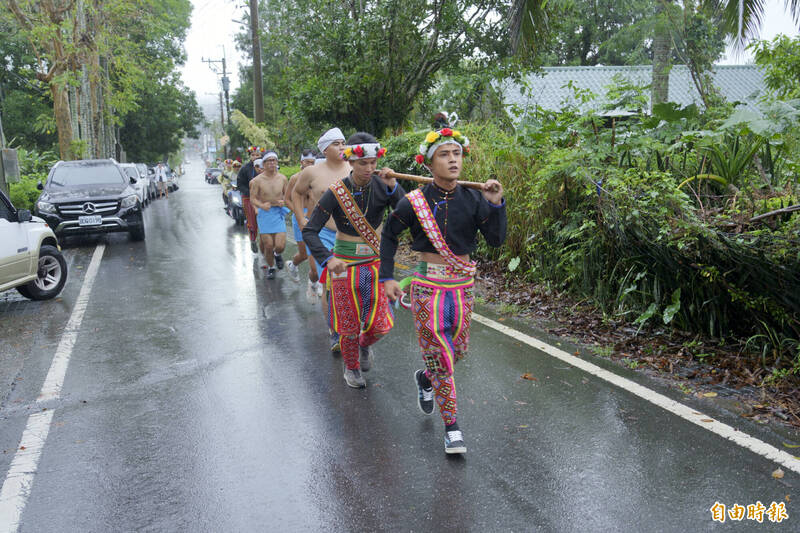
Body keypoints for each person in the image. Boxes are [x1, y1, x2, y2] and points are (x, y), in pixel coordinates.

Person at [380, 128, 506, 454]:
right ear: (428, 163)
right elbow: (389, 235)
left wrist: (495, 205)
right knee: (440, 354)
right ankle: (452, 428)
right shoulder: (414, 202)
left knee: (456, 352)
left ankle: (426, 378)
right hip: (427, 287)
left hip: (463, 286)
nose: (452, 160)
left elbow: (495, 240)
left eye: (457, 154)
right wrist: (388, 276)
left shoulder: (475, 198)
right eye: (444, 155)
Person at [303, 133, 404, 388]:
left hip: (375, 263)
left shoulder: (384, 186)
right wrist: (328, 259)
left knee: (380, 325)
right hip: (343, 265)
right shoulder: (335, 192)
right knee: (347, 324)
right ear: (351, 162)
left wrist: (394, 187)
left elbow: (408, 213)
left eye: (372, 162)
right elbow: (309, 230)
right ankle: (351, 367)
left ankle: (364, 344)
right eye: (362, 164)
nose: (369, 169)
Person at [292, 128, 350, 352]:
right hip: (322, 234)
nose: (342, 147)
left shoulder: (354, 168)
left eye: (343, 142)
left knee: (349, 283)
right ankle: (335, 331)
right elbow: (296, 194)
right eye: (336, 143)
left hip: (349, 236)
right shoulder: (312, 173)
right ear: (325, 149)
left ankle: (352, 326)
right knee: (332, 283)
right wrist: (301, 219)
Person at [249, 152, 288, 279]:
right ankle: (271, 267)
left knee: (280, 246)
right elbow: (252, 199)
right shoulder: (256, 181)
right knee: (269, 245)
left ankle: (277, 254)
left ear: (277, 162)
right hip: (265, 214)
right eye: (268, 161)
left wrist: (284, 201)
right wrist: (261, 206)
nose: (272, 163)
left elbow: (288, 195)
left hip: (278, 213)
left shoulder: (282, 178)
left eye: (274, 160)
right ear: (263, 164)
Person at [285, 150, 319, 288]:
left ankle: (315, 281)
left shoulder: (319, 178)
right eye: (308, 162)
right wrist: (299, 214)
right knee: (304, 254)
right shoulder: (295, 179)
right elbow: (287, 200)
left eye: (313, 162)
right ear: (302, 163)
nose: (310, 165)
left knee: (318, 252)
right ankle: (293, 265)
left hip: (317, 216)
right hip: (300, 217)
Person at [237, 146, 263, 253]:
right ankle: (253, 240)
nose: (255, 157)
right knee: (252, 221)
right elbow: (240, 184)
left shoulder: (266, 167)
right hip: (249, 198)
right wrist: (250, 193)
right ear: (250, 156)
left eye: (257, 155)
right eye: (253, 155)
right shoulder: (244, 169)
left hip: (264, 198)